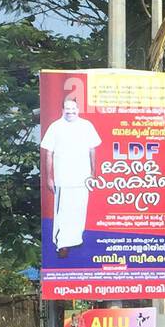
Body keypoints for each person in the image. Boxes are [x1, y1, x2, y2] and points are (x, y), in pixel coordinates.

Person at [40, 95, 101, 257]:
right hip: (63, 178)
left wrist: (93, 174)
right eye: (67, 109)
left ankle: (75, 238)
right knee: (63, 211)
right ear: (63, 110)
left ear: (78, 109)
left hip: (82, 178)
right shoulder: (55, 127)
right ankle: (62, 244)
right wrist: (49, 177)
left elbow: (92, 150)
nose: (70, 112)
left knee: (79, 209)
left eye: (73, 109)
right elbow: (48, 153)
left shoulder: (87, 126)